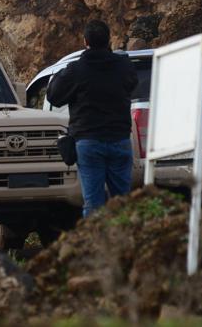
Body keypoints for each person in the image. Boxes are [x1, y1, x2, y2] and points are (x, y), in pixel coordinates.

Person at [46, 20, 138, 217]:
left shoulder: (76, 69)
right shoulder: (123, 66)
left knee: (93, 204)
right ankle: (125, 236)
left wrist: (61, 74)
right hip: (120, 139)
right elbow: (132, 84)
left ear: (85, 42)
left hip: (88, 142)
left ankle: (96, 236)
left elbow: (54, 96)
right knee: (123, 202)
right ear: (109, 40)